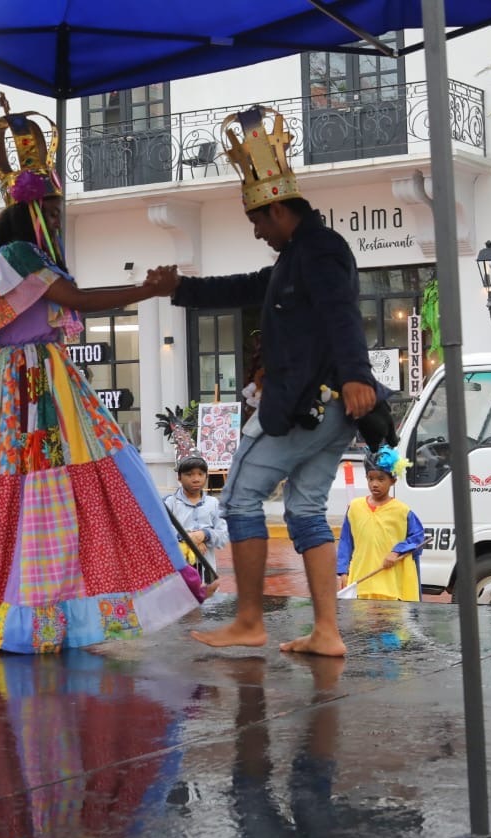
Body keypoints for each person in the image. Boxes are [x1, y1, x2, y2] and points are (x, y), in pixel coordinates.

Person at [0, 96, 200, 653]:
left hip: (26, 383)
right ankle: (26, 617)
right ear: (34, 209)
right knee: (44, 488)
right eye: (55, 208)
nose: (60, 218)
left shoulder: (11, 259)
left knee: (58, 490)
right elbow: (78, 300)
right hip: (32, 384)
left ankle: (54, 616)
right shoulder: (20, 257)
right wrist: (147, 288)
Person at [146, 105, 384, 656]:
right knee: (303, 509)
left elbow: (341, 312)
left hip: (304, 405)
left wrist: (355, 374)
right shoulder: (301, 254)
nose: (256, 233)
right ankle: (326, 632)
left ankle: (250, 619)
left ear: (277, 210)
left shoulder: (318, 252)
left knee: (239, 499)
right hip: (327, 413)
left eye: (257, 221)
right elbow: (247, 285)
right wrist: (179, 287)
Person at [336, 446, 424, 602]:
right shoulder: (354, 508)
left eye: (381, 479)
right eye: (371, 478)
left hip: (390, 586)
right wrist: (343, 571)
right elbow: (345, 542)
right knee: (362, 625)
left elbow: (418, 537)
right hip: (361, 582)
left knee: (389, 625)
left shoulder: (402, 511)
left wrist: (396, 552)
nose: (374, 484)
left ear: (393, 480)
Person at [163, 456, 229, 592]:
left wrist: (205, 535)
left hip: (207, 571)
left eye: (200, 474)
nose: (196, 479)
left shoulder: (214, 504)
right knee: (181, 606)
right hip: (178, 570)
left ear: (206, 476)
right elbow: (162, 532)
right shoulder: (169, 504)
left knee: (207, 608)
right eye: (189, 474)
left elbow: (223, 536)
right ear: (179, 477)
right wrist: (188, 538)